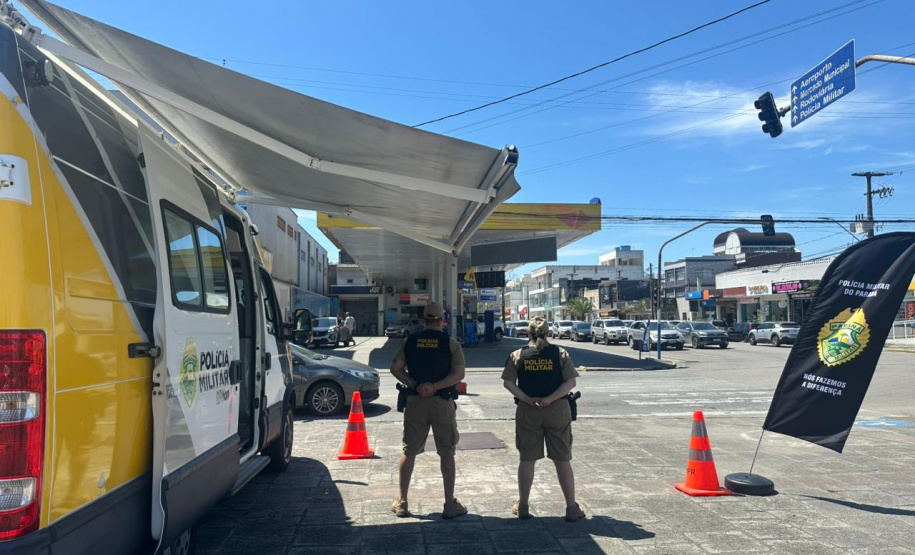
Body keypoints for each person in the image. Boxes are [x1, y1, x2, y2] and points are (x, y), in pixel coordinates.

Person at [389, 302, 468, 519]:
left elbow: (395, 368)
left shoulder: (410, 340)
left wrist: (416, 385)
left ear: (424, 320)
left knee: (409, 451)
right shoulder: (450, 343)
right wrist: (435, 387)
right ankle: (449, 504)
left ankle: (403, 501)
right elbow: (458, 374)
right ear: (442, 320)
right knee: (447, 453)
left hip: (415, 402)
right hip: (442, 402)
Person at [502, 317, 585, 522]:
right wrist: (549, 399)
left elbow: (508, 383)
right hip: (557, 409)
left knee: (527, 459)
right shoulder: (560, 353)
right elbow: (570, 383)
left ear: (528, 334)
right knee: (562, 459)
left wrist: (528, 399)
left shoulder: (518, 355)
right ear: (548, 333)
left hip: (528, 411)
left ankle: (523, 506)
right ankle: (571, 508)